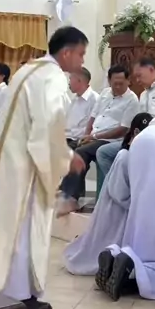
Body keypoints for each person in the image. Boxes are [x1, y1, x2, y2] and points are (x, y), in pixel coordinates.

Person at [0, 26, 88, 309]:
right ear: (66, 52)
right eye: (81, 54)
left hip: (6, 158)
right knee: (22, 228)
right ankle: (17, 296)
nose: (82, 61)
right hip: (25, 166)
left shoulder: (29, 69)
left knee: (5, 224)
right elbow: (47, 124)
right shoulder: (53, 77)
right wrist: (66, 157)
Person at [97, 98, 155, 302]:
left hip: (139, 210)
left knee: (140, 252)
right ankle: (129, 266)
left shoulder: (138, 139)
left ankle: (115, 258)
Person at [64, 113, 153, 277]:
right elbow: (117, 191)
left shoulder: (134, 156)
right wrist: (134, 203)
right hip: (115, 210)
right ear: (135, 133)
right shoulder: (124, 156)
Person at [57, 64, 138, 214]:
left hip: (111, 140)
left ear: (128, 81)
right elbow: (92, 117)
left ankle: (71, 198)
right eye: (114, 83)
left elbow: (123, 129)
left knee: (80, 152)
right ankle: (67, 193)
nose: (117, 87)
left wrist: (94, 136)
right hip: (94, 136)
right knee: (71, 149)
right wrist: (86, 135)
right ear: (109, 80)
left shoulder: (132, 100)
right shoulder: (105, 93)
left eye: (121, 83)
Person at [95, 57, 155, 191]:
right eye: (135, 77)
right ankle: (118, 189)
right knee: (104, 152)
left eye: (139, 75)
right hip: (139, 139)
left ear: (150, 70)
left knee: (115, 154)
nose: (137, 80)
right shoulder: (143, 94)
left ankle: (122, 190)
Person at [65, 67, 99, 148]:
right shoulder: (75, 99)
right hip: (67, 138)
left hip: (80, 140)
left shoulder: (94, 99)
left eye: (70, 79)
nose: (69, 83)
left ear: (79, 80)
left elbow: (94, 127)